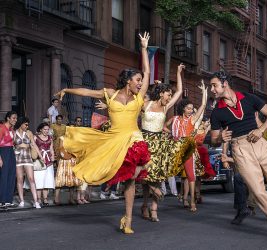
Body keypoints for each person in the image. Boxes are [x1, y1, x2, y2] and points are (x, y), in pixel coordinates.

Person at [55, 32, 151, 234]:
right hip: (114, 139)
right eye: (138, 80)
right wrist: (67, 90)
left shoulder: (140, 96)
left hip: (134, 138)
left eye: (141, 81)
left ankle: (128, 219)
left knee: (134, 176)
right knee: (114, 173)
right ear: (128, 81)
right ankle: (112, 187)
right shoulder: (110, 93)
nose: (141, 83)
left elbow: (147, 71)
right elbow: (87, 92)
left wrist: (143, 48)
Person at [209, 71, 267, 241]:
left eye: (214, 85)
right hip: (240, 148)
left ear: (225, 83)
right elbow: (213, 140)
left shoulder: (248, 98)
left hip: (259, 143)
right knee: (257, 190)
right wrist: (220, 138)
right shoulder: (217, 113)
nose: (212, 89)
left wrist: (261, 130)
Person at [140, 63, 190, 221]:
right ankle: (146, 203)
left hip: (160, 144)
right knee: (146, 176)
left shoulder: (165, 107)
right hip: (145, 142)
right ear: (161, 94)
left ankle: (153, 209)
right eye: (168, 94)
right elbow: (127, 107)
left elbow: (180, 91)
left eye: (170, 95)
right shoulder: (145, 105)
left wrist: (178, 72)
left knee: (157, 176)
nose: (169, 97)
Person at [164, 82, 208, 212]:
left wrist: (204, 93)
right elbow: (163, 127)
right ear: (183, 108)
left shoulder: (193, 120)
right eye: (188, 108)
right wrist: (172, 134)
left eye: (191, 109)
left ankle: (192, 201)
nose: (190, 110)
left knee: (190, 175)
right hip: (176, 148)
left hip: (188, 149)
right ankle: (175, 195)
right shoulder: (175, 119)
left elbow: (203, 106)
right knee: (167, 170)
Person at [14, 117, 41, 208]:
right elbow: (11, 145)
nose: (27, 126)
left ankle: (36, 201)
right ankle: (21, 201)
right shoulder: (14, 133)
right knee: (20, 179)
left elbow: (34, 145)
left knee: (31, 179)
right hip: (17, 157)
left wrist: (41, 156)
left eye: (28, 124)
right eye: (26, 124)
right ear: (21, 124)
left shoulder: (29, 133)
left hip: (27, 157)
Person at [26, 123, 55, 206]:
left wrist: (52, 156)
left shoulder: (50, 138)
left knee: (47, 180)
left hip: (48, 161)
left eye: (47, 129)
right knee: (39, 180)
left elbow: (51, 148)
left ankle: (45, 198)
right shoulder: (36, 137)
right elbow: (32, 147)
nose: (46, 131)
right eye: (45, 129)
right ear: (41, 129)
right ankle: (38, 199)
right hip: (39, 161)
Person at [54, 137, 82, 205]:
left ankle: (71, 198)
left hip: (72, 160)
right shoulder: (62, 138)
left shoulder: (75, 137)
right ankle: (56, 198)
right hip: (64, 160)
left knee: (72, 180)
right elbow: (61, 149)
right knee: (60, 179)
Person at [194, 118, 215, 203]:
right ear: (202, 122)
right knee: (195, 176)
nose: (208, 124)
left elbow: (212, 123)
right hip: (194, 152)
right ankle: (195, 194)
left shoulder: (205, 130)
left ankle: (197, 194)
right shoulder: (195, 128)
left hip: (202, 152)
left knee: (199, 176)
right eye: (207, 122)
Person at [0, 111, 18, 209]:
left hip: (11, 152)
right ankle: (1, 201)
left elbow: (13, 142)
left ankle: (8, 200)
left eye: (16, 118)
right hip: (3, 152)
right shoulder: (2, 128)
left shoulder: (12, 129)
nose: (15, 120)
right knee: (3, 176)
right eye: (13, 118)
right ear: (8, 118)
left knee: (11, 175)